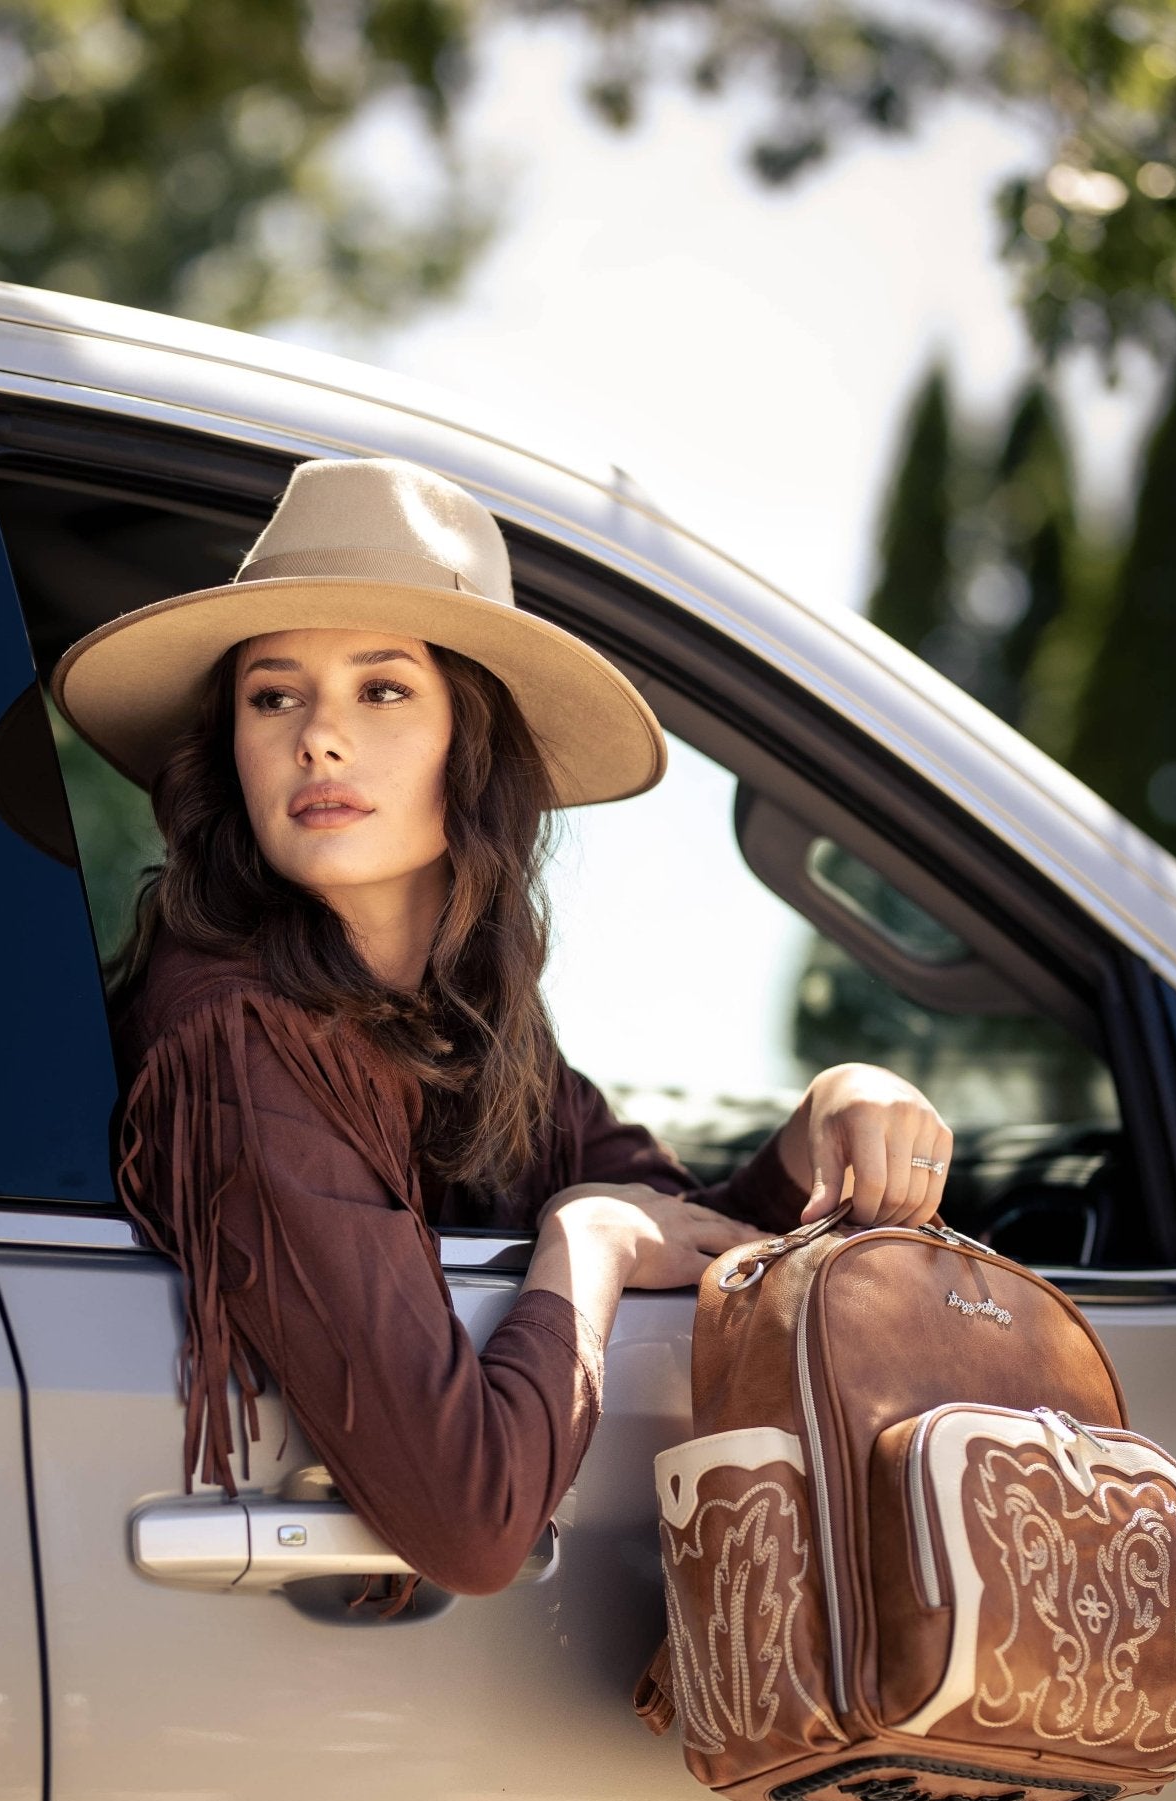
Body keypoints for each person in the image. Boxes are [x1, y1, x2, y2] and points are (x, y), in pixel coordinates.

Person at [50, 455, 953, 1598]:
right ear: (232, 747)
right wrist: (582, 1245)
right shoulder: (242, 1039)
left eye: (381, 690)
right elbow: (472, 1518)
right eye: (273, 695)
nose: (317, 738)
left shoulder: (456, 1018)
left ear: (469, 746)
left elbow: (679, 1232)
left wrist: (824, 1120)